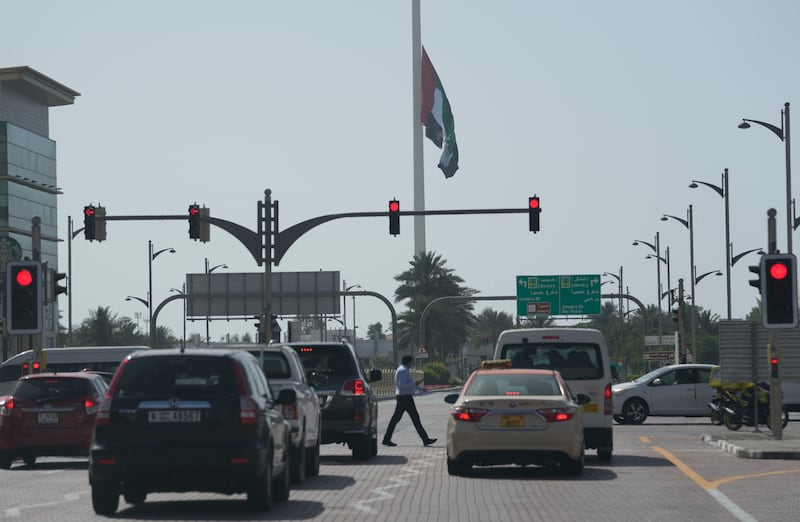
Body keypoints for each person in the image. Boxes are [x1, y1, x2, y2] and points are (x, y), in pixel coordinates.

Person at [382, 355, 437, 447]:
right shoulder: (403, 371)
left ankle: (386, 439)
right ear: (408, 362)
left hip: (403, 397)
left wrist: (420, 388)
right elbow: (402, 385)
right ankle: (425, 439)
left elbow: (408, 384)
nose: (412, 364)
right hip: (405, 398)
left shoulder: (402, 370)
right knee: (414, 418)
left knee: (396, 419)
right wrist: (414, 383)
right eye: (411, 362)